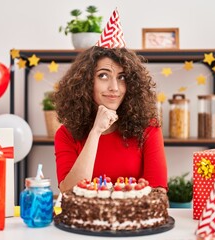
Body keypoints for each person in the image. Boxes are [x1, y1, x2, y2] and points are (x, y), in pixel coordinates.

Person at [53, 10, 167, 193]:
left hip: (133, 220)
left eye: (122, 77)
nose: (114, 87)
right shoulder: (66, 134)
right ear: (86, 81)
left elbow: (158, 191)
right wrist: (96, 132)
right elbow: (69, 192)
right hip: (85, 221)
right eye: (103, 75)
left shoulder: (149, 128)